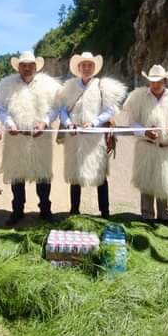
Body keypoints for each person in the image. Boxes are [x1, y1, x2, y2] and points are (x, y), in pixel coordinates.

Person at [122, 64, 168, 226]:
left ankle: (164, 215)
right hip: (146, 146)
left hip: (166, 147)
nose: (155, 85)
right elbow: (133, 122)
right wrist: (145, 132)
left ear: (165, 81)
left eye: (159, 81)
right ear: (148, 81)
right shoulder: (139, 98)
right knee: (146, 181)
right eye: (153, 81)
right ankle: (147, 215)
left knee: (164, 181)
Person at [0, 51, 61, 226]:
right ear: (18, 67)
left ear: (36, 67)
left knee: (43, 175)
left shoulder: (49, 86)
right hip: (16, 138)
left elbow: (55, 108)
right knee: (17, 175)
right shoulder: (6, 86)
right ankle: (17, 211)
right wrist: (9, 124)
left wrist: (45, 122)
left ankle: (45, 210)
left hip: (41, 137)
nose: (27, 68)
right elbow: (2, 109)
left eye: (30, 65)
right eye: (23, 65)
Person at [58, 52, 127, 218]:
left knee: (100, 174)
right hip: (75, 137)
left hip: (96, 138)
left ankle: (105, 212)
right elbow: (62, 110)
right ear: (79, 68)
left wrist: (94, 123)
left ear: (94, 68)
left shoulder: (102, 86)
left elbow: (110, 110)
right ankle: (74, 210)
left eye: (90, 65)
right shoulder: (69, 87)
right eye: (84, 65)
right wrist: (69, 124)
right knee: (75, 174)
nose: (87, 68)